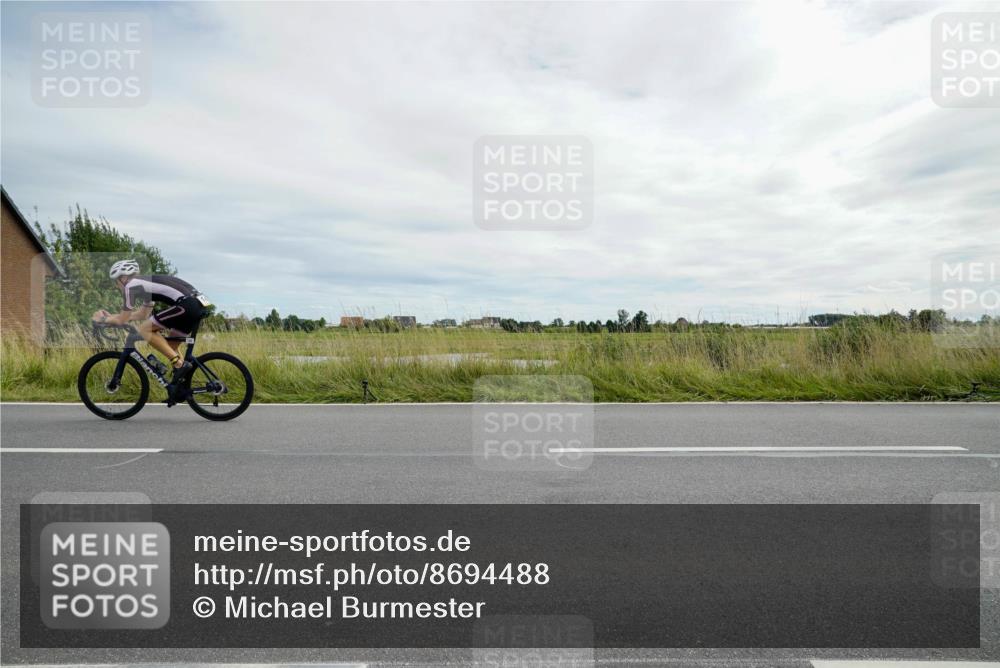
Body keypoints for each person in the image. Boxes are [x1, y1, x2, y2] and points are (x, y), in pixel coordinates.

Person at [93, 259, 208, 388]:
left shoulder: (131, 286)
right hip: (198, 304)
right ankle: (182, 384)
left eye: (116, 281)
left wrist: (102, 320)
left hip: (187, 305)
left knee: (144, 330)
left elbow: (122, 320)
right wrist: (112, 317)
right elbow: (142, 314)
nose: (116, 285)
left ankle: (179, 365)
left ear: (123, 278)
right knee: (169, 346)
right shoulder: (145, 284)